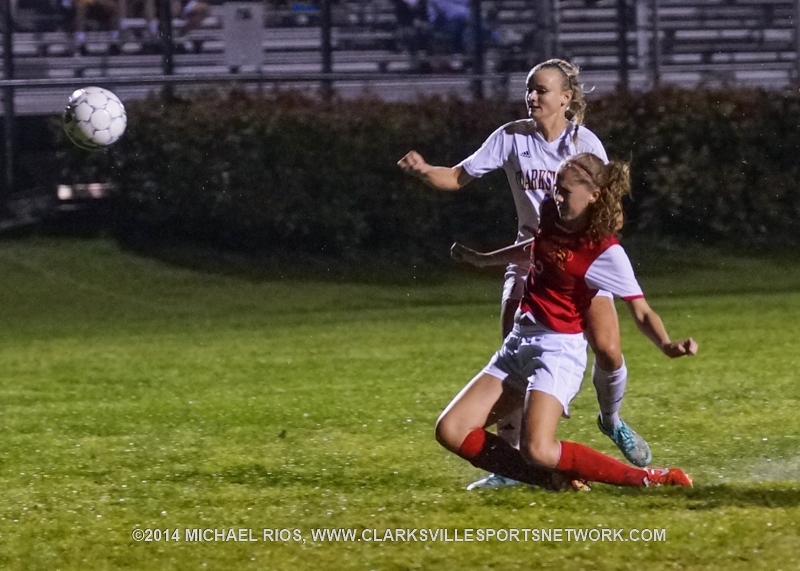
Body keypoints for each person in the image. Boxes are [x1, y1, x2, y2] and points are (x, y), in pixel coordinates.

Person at [397, 58, 651, 489]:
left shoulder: (585, 143)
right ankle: (510, 467)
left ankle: (611, 420)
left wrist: (599, 244)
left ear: (566, 98)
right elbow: (457, 177)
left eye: (541, 90)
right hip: (528, 260)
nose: (532, 96)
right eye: (529, 89)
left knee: (609, 350)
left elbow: (608, 205)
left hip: (578, 266)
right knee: (513, 365)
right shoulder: (511, 137)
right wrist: (424, 171)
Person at [436, 153, 697, 490]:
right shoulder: (550, 212)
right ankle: (554, 480)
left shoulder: (604, 250)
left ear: (594, 195)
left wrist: (667, 344)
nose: (556, 197)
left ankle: (653, 478)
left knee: (539, 449)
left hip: (556, 351)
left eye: (565, 192)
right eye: (556, 188)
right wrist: (484, 260)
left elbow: (641, 309)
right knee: (451, 430)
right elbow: (537, 248)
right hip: (519, 342)